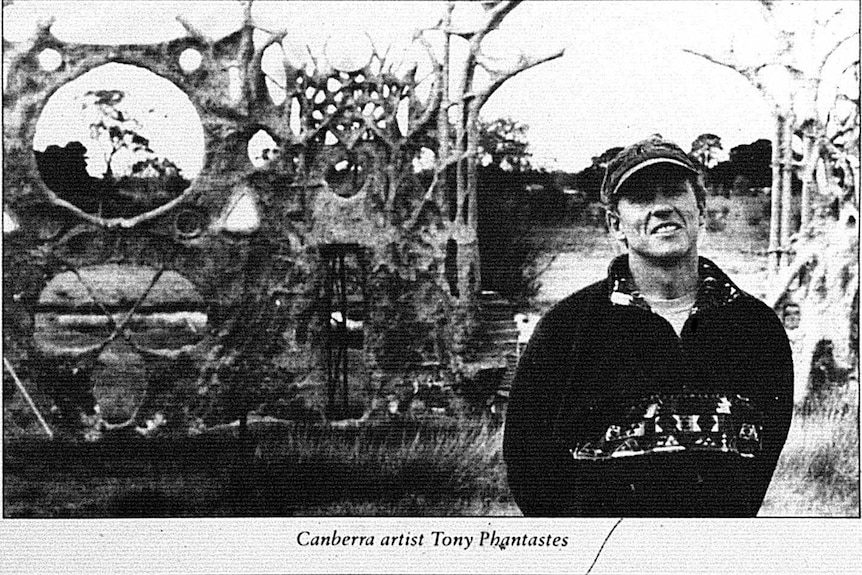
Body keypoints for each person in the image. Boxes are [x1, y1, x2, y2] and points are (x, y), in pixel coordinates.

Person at [503, 136, 793, 517]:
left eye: (674, 191)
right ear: (616, 225)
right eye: (641, 198)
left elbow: (761, 458)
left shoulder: (756, 328)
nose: (661, 207)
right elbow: (529, 465)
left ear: (701, 211)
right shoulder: (566, 329)